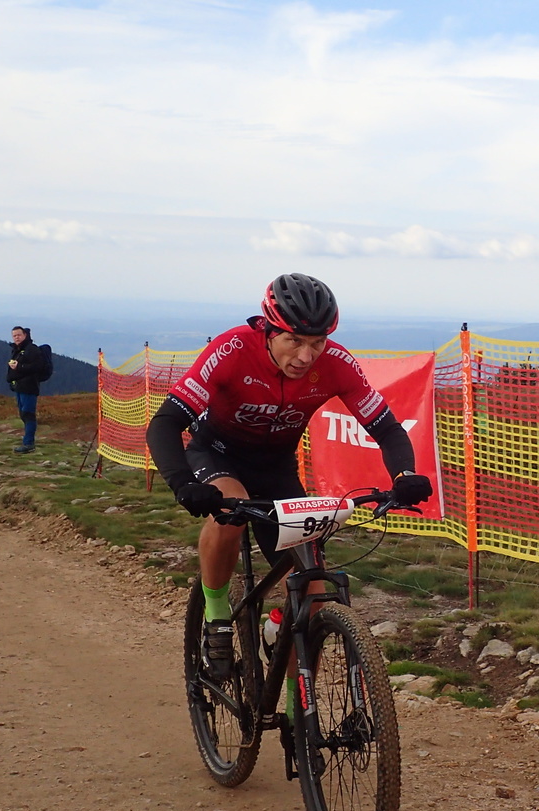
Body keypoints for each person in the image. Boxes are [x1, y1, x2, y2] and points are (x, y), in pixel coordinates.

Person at [146, 273, 432, 677]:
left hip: (276, 466)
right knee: (228, 513)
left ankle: (299, 712)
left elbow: (385, 427)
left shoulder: (337, 364)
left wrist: (405, 475)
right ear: (267, 329)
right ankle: (216, 617)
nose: (305, 355)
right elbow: (166, 421)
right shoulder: (230, 350)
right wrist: (183, 483)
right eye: (293, 341)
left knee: (313, 591)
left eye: (317, 343)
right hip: (217, 453)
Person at [6, 326, 47, 453]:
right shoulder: (18, 350)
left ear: (25, 335)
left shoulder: (31, 350)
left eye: (18, 335)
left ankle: (28, 444)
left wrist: (20, 367)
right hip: (19, 387)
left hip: (29, 388)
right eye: (14, 336)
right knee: (24, 414)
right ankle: (27, 441)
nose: (16, 337)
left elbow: (37, 367)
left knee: (28, 414)